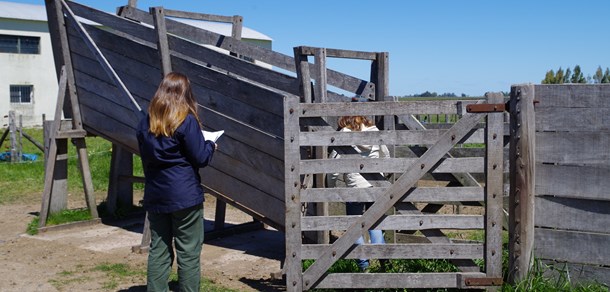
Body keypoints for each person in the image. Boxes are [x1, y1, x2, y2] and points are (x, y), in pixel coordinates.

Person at [136, 72, 217, 291]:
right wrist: (211, 146)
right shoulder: (185, 120)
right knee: (188, 253)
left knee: (159, 250)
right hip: (184, 196)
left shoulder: (145, 120)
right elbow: (201, 158)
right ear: (185, 93)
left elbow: (145, 156)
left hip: (156, 194)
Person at [327, 115, 390, 272]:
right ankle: (384, 264)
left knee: (354, 227)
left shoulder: (343, 136)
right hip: (375, 185)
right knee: (376, 225)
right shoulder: (374, 132)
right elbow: (386, 154)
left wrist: (330, 185)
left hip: (354, 188)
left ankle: (364, 265)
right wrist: (384, 174)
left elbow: (333, 166)